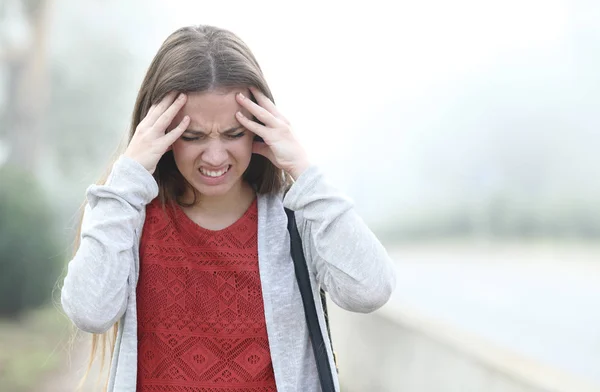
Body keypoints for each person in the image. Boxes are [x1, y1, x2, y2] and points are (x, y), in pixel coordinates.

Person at [61, 24, 396, 392]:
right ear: (159, 133)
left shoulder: (294, 218)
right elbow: (89, 311)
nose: (216, 156)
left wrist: (304, 171)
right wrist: (127, 179)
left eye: (234, 134)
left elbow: (371, 289)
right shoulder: (128, 214)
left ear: (260, 127)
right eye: (193, 136)